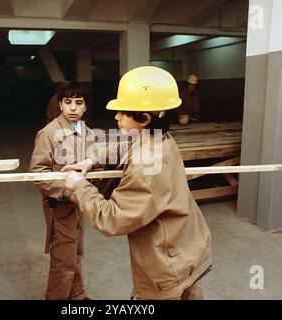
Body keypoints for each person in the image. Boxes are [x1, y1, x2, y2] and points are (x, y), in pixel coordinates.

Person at [62, 66, 212, 300]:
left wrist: (78, 185)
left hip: (166, 265)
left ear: (144, 118)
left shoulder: (144, 168)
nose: (116, 117)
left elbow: (111, 219)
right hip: (189, 249)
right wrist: (92, 159)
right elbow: (128, 146)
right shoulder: (162, 138)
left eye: (122, 112)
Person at [29, 81, 96, 300]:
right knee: (63, 260)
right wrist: (66, 189)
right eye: (68, 102)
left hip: (80, 204)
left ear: (85, 107)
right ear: (60, 105)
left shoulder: (86, 131)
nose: (73, 108)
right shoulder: (48, 133)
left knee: (75, 252)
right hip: (61, 205)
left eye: (79, 103)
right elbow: (38, 172)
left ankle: (77, 294)